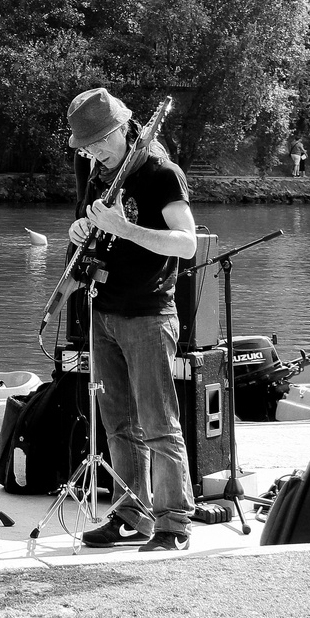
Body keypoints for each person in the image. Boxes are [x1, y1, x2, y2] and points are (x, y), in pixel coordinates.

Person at [64, 88, 197, 552]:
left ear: (124, 127)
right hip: (103, 308)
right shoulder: (93, 170)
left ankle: (173, 523)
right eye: (86, 145)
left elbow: (186, 243)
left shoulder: (161, 173)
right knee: (118, 424)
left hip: (148, 312)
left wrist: (126, 229)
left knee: (159, 423)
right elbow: (91, 226)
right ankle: (131, 514)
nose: (94, 151)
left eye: (101, 140)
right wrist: (80, 228)